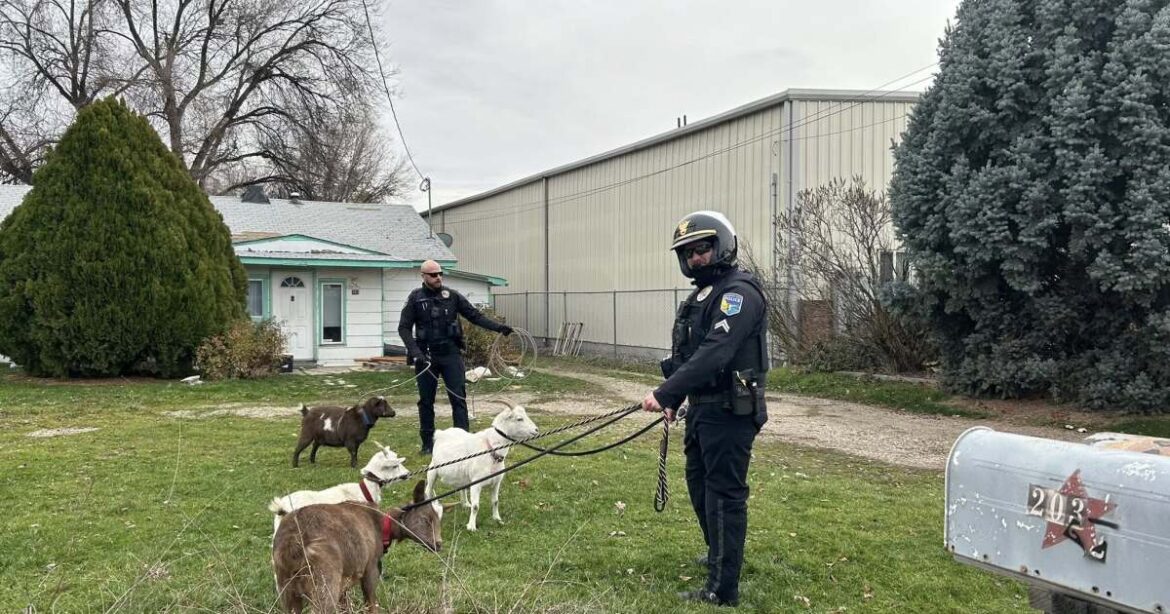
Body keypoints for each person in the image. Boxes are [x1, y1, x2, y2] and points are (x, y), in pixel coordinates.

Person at [642, 211, 769, 607]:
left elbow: (716, 353)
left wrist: (664, 393)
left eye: (702, 249)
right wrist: (676, 400)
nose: (695, 258)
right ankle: (719, 554)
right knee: (700, 489)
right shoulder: (700, 298)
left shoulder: (739, 293)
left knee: (724, 496)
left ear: (721, 245)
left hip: (730, 412)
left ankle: (722, 588)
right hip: (701, 412)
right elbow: (688, 355)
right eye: (688, 253)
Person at [398, 260, 513, 454]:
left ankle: (463, 442)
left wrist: (498, 328)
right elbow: (404, 328)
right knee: (426, 401)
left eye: (440, 273)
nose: (438, 277)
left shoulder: (452, 296)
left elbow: (474, 316)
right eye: (433, 275)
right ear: (423, 276)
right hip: (426, 357)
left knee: (458, 398)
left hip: (451, 354)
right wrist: (416, 353)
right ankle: (428, 444)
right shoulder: (415, 298)